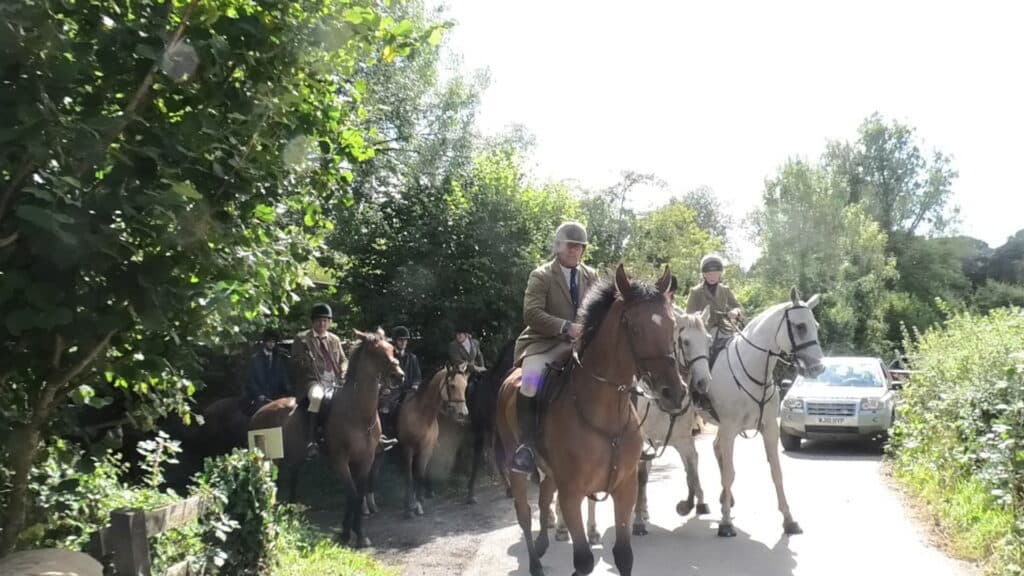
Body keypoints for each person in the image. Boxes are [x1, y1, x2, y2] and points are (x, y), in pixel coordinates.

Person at [511, 221, 598, 474]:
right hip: (544, 342)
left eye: (579, 247)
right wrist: (564, 327)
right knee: (529, 383)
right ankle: (526, 446)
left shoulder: (592, 276)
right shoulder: (541, 275)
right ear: (559, 246)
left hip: (582, 344)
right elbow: (531, 313)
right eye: (570, 246)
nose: (575, 251)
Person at [292, 303, 396, 457]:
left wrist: (344, 370)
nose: (322, 324)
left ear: (329, 322)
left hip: (335, 380)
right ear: (313, 322)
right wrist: (304, 360)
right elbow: (296, 361)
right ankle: (312, 440)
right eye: (319, 320)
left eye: (325, 320)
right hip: (314, 380)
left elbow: (343, 359)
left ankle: (376, 436)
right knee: (317, 397)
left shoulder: (334, 338)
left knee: (361, 397)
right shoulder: (302, 339)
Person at [685, 254, 743, 354]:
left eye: (715, 273)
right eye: (709, 274)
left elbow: (738, 307)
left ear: (720, 274)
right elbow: (688, 315)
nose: (712, 276)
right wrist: (699, 317)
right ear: (704, 274)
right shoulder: (695, 292)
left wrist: (735, 312)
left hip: (725, 328)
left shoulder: (725, 290)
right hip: (704, 331)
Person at [243, 327, 290, 412]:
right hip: (259, 398)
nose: (271, 344)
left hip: (275, 397)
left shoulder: (279, 359)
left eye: (273, 342)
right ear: (264, 342)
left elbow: (283, 378)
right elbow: (250, 380)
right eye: (269, 342)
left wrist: (285, 393)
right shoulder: (255, 359)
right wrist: (259, 394)